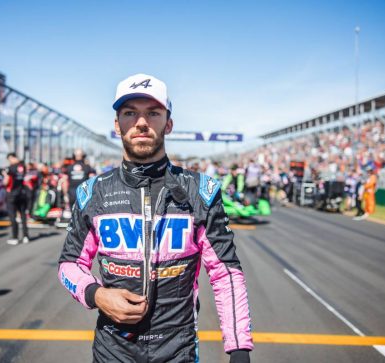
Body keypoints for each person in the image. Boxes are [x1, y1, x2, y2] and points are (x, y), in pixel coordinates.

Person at [58, 74, 253, 362]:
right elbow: (70, 265)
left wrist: (238, 349)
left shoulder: (201, 191)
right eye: (129, 113)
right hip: (112, 352)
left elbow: (225, 272)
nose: (140, 122)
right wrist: (96, 295)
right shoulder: (93, 192)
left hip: (178, 351)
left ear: (168, 123)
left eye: (153, 112)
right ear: (117, 125)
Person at [3, 153, 29, 245]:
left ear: (11, 158)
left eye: (9, 159)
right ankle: (26, 236)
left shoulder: (10, 168)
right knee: (23, 216)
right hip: (22, 192)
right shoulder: (23, 166)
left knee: (12, 216)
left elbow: (6, 182)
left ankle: (15, 237)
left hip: (12, 194)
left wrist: (4, 175)